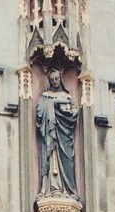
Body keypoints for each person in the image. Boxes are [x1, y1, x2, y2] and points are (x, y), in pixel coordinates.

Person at [36, 68, 80, 198]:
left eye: (57, 79)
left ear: (60, 79)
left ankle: (68, 190)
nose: (55, 81)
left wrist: (71, 111)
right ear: (49, 81)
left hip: (65, 134)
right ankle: (50, 189)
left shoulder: (67, 96)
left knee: (67, 159)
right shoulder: (45, 96)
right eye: (52, 79)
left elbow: (75, 111)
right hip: (51, 133)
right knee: (51, 157)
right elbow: (39, 111)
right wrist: (53, 104)